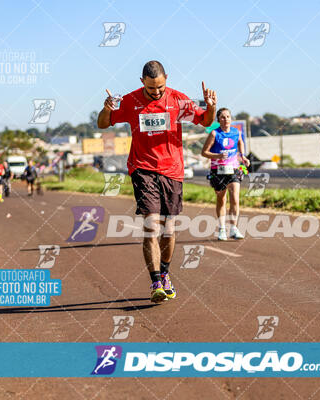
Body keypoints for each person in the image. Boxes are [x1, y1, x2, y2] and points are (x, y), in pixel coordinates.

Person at [97, 60, 216, 303]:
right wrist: (107, 108)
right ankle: (155, 282)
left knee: (169, 230)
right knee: (152, 226)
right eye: (152, 89)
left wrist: (211, 107)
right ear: (142, 82)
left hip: (172, 171)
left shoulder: (177, 100)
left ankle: (164, 274)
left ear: (166, 79)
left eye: (161, 87)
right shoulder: (131, 101)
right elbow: (102, 123)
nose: (157, 92)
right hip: (143, 169)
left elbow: (206, 121)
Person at [201, 108, 249, 240]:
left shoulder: (235, 132)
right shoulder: (214, 134)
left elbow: (240, 142)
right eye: (222, 117)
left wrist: (243, 156)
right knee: (222, 199)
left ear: (231, 119)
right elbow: (204, 152)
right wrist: (218, 155)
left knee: (235, 198)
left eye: (228, 116)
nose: (226, 119)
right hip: (218, 171)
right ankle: (222, 229)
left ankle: (234, 228)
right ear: (218, 120)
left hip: (233, 169)